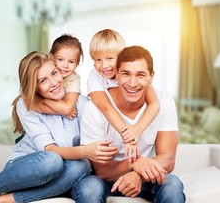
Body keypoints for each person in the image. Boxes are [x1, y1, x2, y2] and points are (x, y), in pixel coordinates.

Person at [0, 51, 118, 203]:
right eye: (43, 80)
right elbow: (51, 150)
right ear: (34, 87)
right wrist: (84, 151)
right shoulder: (27, 105)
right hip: (31, 169)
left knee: (88, 180)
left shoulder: (82, 103)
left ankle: (4, 201)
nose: (54, 82)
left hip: (69, 173)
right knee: (52, 160)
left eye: (54, 73)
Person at [72, 46, 186, 203]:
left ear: (151, 77)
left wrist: (137, 174)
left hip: (146, 178)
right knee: (88, 189)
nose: (132, 83)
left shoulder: (164, 101)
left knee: (172, 185)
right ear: (116, 74)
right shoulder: (94, 108)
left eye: (140, 75)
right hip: (105, 181)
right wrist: (137, 163)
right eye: (126, 74)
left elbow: (168, 159)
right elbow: (102, 170)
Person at [87, 29, 160, 162]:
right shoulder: (95, 77)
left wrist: (137, 129)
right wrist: (129, 139)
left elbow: (154, 104)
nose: (104, 66)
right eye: (98, 59)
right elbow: (106, 107)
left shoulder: (134, 74)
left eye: (109, 58)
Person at [32, 34, 83, 120]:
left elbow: (67, 109)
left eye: (71, 62)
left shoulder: (73, 79)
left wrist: (42, 99)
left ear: (77, 64)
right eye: (60, 59)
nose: (65, 65)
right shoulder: (43, 71)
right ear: (51, 58)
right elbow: (33, 105)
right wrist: (60, 112)